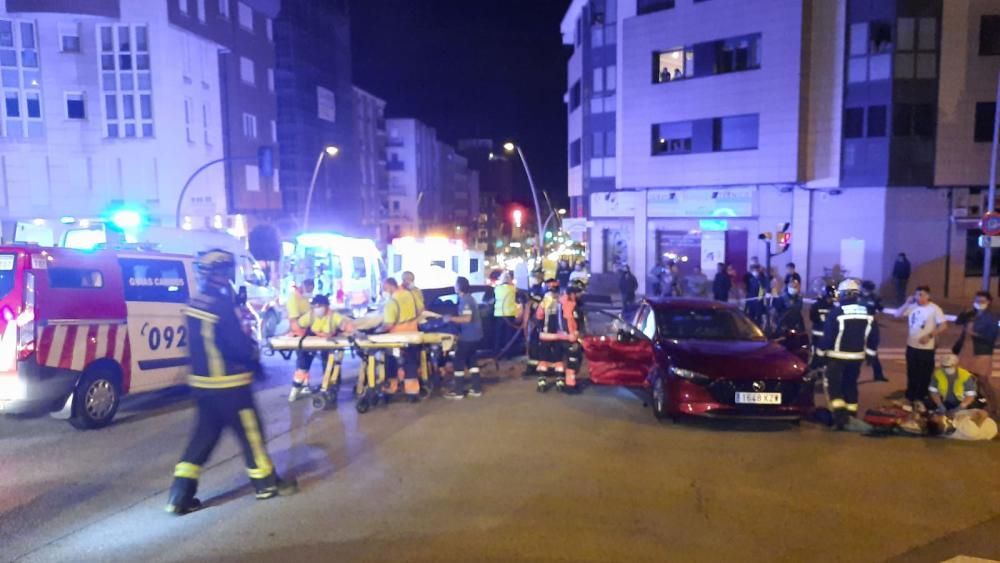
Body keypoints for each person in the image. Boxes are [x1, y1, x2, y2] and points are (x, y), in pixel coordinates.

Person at [165, 250, 296, 515]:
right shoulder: (221, 304)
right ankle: (266, 484)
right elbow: (237, 345)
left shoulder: (194, 302)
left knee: (201, 440)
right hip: (229, 385)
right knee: (251, 433)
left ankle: (179, 497)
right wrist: (254, 358)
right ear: (223, 273)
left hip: (202, 386)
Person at [817, 279, 879, 430]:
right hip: (856, 357)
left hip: (837, 357)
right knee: (850, 385)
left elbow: (828, 336)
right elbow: (874, 335)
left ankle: (840, 419)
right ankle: (852, 415)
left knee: (835, 387)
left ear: (843, 294)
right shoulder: (867, 312)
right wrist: (870, 354)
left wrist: (819, 355)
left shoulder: (836, 312)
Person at [288, 294, 354, 402]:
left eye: (319, 306)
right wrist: (293, 332)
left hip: (328, 344)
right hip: (311, 342)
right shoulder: (311, 315)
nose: (317, 308)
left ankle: (331, 389)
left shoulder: (334, 316)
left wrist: (355, 332)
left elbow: (346, 325)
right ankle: (295, 389)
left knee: (329, 365)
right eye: (315, 306)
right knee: (302, 364)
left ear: (326, 306)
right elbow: (297, 325)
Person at [896, 286, 948, 411]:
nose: (919, 297)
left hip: (926, 348)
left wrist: (930, 335)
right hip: (911, 345)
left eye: (922, 295)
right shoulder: (912, 306)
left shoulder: (934, 309)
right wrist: (906, 303)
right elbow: (897, 314)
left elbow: (943, 325)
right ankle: (910, 397)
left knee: (924, 374)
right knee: (911, 372)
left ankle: (921, 398)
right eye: (917, 295)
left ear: (928, 296)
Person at [955, 291, 999, 416]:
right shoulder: (971, 314)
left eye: (982, 301)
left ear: (989, 302)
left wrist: (975, 334)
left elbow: (992, 337)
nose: (979, 303)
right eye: (977, 300)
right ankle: (974, 404)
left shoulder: (992, 318)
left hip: (982, 351)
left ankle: (994, 407)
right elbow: (958, 321)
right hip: (967, 350)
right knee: (967, 379)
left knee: (982, 380)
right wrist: (964, 312)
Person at [380, 277, 421, 402]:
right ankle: (412, 392)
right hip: (413, 334)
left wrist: (378, 331)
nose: (384, 291)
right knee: (411, 363)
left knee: (391, 362)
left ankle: (391, 389)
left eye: (384, 289)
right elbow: (420, 309)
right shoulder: (410, 295)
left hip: (396, 338)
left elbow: (388, 324)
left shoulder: (391, 303)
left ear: (391, 286)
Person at [444, 276, 484, 399]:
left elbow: (467, 319)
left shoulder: (465, 300)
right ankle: (476, 389)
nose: (454, 287)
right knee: (472, 361)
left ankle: (458, 391)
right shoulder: (469, 298)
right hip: (475, 336)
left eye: (455, 284)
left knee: (458, 361)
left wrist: (450, 318)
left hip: (468, 337)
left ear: (460, 287)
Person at [859, 281, 888, 382]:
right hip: (858, 324)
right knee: (856, 349)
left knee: (873, 350)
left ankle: (878, 374)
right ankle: (852, 376)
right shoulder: (857, 296)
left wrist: (876, 319)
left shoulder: (875, 298)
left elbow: (880, 310)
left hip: (871, 324)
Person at [493, 272, 518, 359]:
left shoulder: (497, 289)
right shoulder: (513, 289)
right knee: (508, 336)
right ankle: (508, 355)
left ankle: (497, 354)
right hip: (509, 315)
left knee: (498, 336)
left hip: (499, 315)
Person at [809, 284, 836, 365]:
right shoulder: (833, 308)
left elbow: (812, 317)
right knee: (823, 355)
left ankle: (815, 369)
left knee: (817, 354)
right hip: (824, 334)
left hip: (819, 333)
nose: (830, 300)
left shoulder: (816, 305)